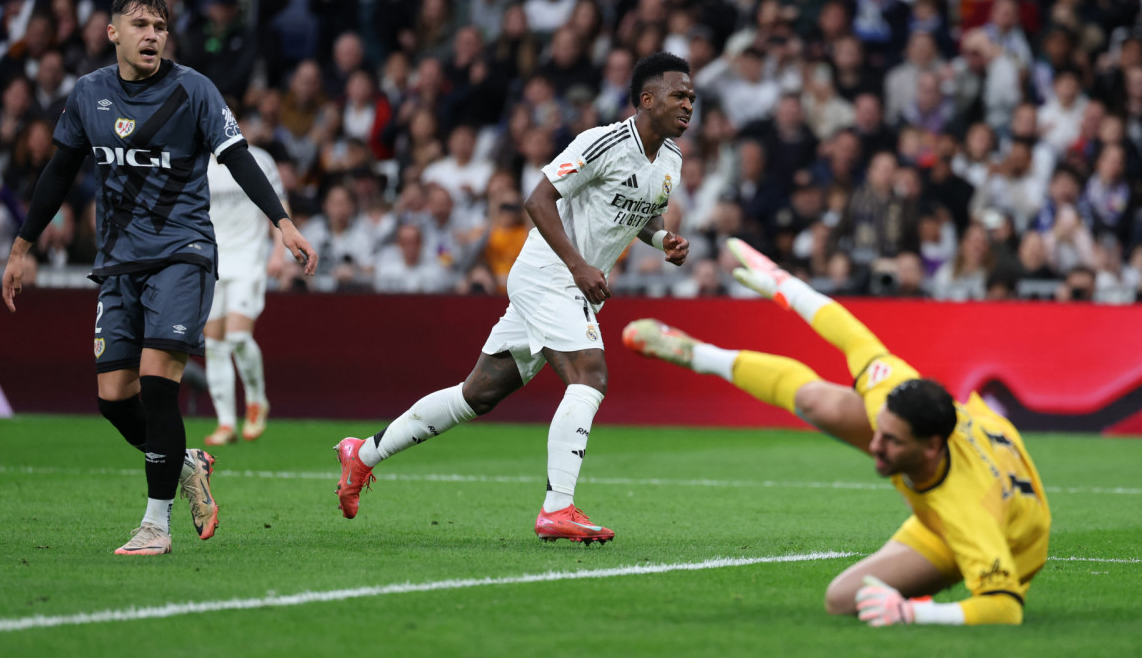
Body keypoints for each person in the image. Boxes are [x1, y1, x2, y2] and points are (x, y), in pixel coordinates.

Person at [0, 0, 318, 556]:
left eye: (160, 26)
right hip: (118, 261)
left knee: (155, 386)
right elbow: (59, 170)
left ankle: (155, 524)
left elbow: (237, 156)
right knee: (112, 397)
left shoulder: (193, 89)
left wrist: (283, 222)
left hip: (183, 252)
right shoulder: (89, 94)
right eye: (141, 25)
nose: (152, 35)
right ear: (112, 32)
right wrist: (22, 246)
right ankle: (186, 461)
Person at [334, 52, 694, 543]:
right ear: (647, 100)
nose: (688, 103)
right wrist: (578, 266)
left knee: (476, 394)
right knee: (590, 375)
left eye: (692, 96)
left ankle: (363, 453)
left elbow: (643, 211)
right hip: (550, 274)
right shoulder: (603, 141)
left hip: (571, 282)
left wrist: (662, 240)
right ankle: (557, 509)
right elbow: (538, 199)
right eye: (679, 94)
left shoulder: (670, 159)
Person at [622, 237, 1049, 625]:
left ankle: (921, 592)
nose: (873, 444)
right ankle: (701, 354)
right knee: (816, 402)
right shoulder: (895, 395)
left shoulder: (969, 514)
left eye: (891, 440)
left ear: (931, 447)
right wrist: (784, 285)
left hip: (1001, 532)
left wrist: (914, 614)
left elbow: (1004, 607)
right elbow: (851, 335)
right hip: (966, 470)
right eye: (879, 431)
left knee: (843, 598)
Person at [202, 140, 287, 446]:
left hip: (249, 260)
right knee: (213, 344)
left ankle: (256, 399)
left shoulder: (257, 159)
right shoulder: (195, 162)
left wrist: (279, 251)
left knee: (237, 337)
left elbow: (277, 204)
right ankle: (226, 423)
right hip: (210, 261)